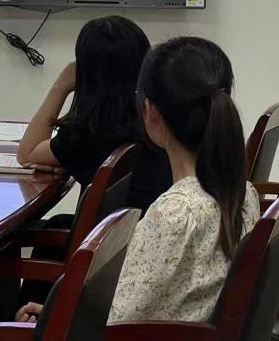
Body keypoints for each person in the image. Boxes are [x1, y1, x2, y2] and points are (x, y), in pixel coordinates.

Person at [18, 36, 260, 324]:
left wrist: (53, 319)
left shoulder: (174, 214)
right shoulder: (243, 193)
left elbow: (116, 322)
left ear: (150, 112)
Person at [17, 16, 172, 212]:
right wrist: (67, 160)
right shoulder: (157, 117)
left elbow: (27, 154)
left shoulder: (90, 130)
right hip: (140, 225)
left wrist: (60, 86)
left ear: (86, 71)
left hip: (105, 231)